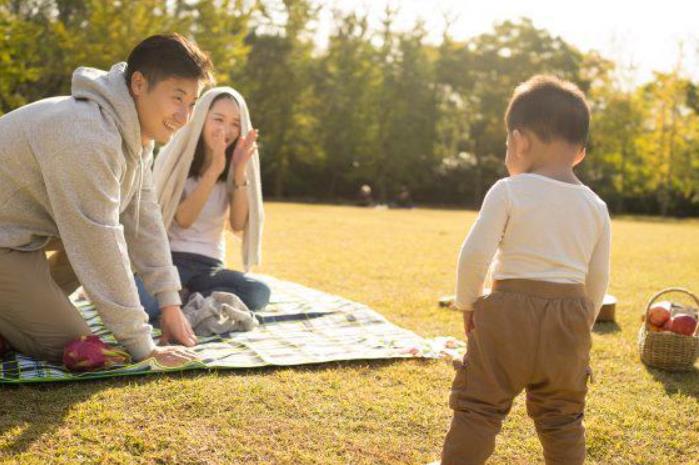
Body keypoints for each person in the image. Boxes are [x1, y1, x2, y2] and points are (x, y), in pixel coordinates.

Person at [0, 33, 213, 367]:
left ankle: (14, 318)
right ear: (139, 84)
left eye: (192, 103)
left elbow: (143, 223)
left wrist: (170, 304)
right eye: (177, 98)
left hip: (17, 242)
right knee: (83, 347)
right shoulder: (88, 136)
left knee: (99, 254)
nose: (185, 117)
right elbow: (98, 243)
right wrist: (143, 345)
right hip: (5, 245)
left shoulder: (134, 139)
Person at [439, 75, 611, 465]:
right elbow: (598, 278)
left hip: (506, 316)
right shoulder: (596, 207)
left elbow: (473, 255)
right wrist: (584, 320)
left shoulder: (508, 190)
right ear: (580, 152)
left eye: (506, 145)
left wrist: (469, 304)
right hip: (569, 320)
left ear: (519, 141)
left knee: (478, 409)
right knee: (564, 419)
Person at [135, 87, 268, 322]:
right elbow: (183, 220)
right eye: (218, 119)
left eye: (235, 124)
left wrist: (238, 171)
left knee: (258, 293)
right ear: (201, 119)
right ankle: (190, 300)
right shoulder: (177, 160)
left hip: (209, 268)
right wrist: (214, 168)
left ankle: (186, 299)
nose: (225, 130)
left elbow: (238, 223)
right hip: (170, 261)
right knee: (144, 304)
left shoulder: (234, 168)